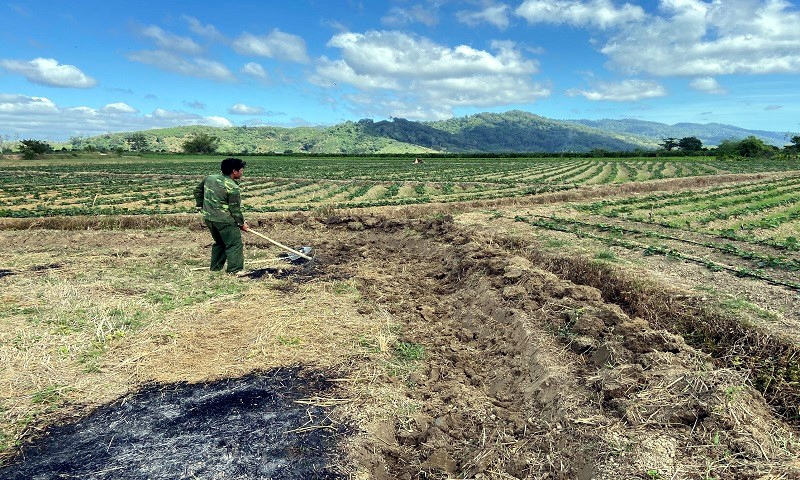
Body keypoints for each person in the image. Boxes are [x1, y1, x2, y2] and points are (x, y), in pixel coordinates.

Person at [193, 157, 250, 275]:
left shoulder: (210, 178)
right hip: (225, 221)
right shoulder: (233, 188)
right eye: (241, 170)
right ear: (234, 171)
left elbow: (197, 191)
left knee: (220, 242)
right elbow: (235, 210)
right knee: (234, 244)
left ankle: (215, 269)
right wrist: (241, 223)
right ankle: (235, 270)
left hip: (209, 218)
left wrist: (202, 206)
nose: (242, 172)